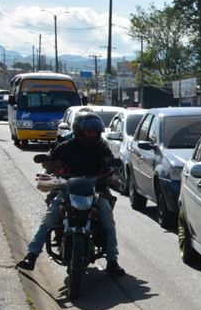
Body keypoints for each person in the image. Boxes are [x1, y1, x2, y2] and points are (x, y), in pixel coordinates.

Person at [17, 112, 126, 277]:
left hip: (95, 191)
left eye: (94, 132)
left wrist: (111, 171)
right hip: (68, 190)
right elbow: (51, 163)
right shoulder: (65, 147)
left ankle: (112, 260)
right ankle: (31, 256)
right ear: (79, 130)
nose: (92, 135)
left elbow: (110, 164)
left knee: (108, 221)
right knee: (49, 218)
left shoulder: (101, 148)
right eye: (89, 131)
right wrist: (50, 164)